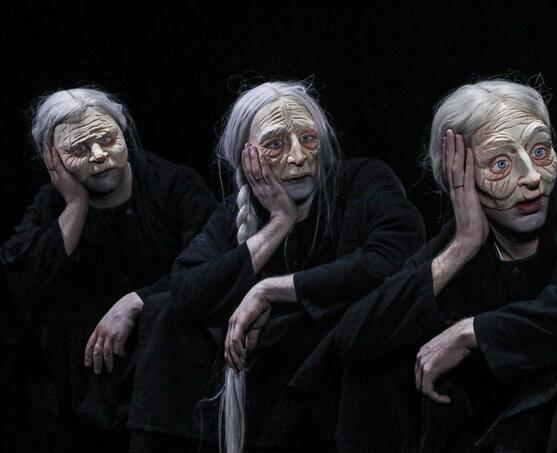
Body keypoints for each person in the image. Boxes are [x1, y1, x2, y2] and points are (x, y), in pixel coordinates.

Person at [126, 80, 425, 452]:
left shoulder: (361, 180)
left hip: (334, 377)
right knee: (163, 315)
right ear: (246, 156)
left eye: (308, 139)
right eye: (275, 144)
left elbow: (392, 254)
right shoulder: (234, 213)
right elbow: (185, 291)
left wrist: (271, 290)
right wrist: (279, 223)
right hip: (267, 383)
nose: (298, 157)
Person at [314, 78, 557, 452]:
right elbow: (354, 339)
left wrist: (474, 332)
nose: (532, 177)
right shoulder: (455, 247)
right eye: (500, 163)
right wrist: (463, 246)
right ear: (457, 175)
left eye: (541, 151)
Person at [0, 87, 216, 453]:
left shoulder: (174, 185)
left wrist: (137, 301)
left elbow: (211, 267)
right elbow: (26, 285)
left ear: (123, 131)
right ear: (53, 158)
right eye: (80, 149)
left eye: (107, 139)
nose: (100, 156)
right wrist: (75, 203)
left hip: (163, 370)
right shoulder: (51, 203)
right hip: (81, 384)